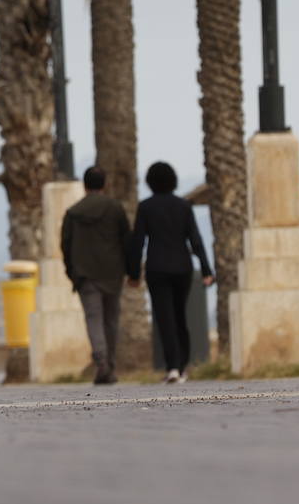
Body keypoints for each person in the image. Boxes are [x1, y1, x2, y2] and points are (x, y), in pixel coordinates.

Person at [127, 161, 214, 384]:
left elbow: (138, 242)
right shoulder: (184, 206)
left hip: (157, 268)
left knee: (164, 318)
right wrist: (206, 269)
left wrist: (134, 273)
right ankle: (182, 366)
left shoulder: (145, 207)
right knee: (179, 316)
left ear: (150, 182)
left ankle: (172, 366)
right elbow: (195, 239)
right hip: (182, 267)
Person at [61, 165, 131, 385]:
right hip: (112, 273)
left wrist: (73, 272)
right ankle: (108, 364)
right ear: (105, 184)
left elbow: (66, 245)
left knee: (94, 320)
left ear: (85, 185)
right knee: (111, 320)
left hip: (86, 276)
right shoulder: (115, 209)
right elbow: (126, 242)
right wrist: (131, 271)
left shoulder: (73, 213)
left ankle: (101, 361)